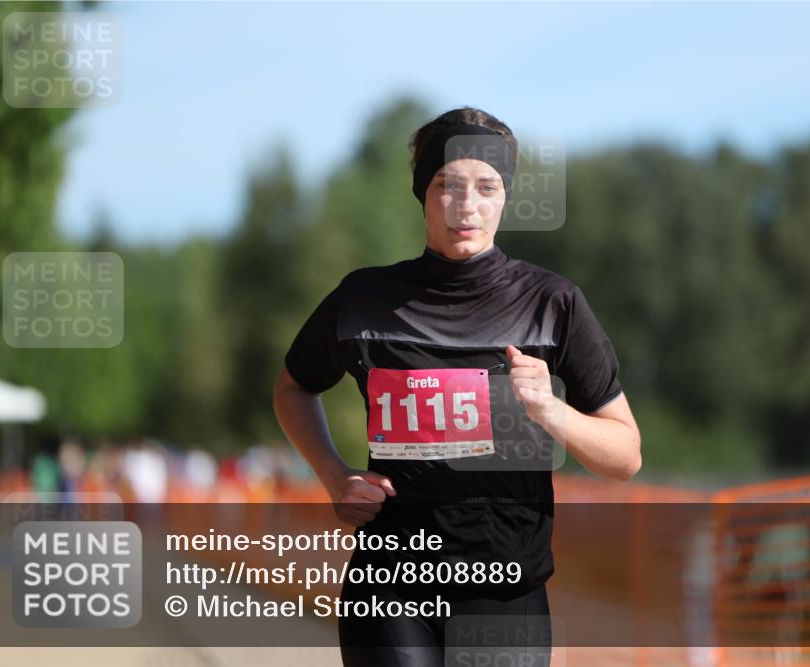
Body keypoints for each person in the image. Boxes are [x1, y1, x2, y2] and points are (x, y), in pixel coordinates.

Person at [273, 106, 641, 666]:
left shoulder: (552, 303)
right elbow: (293, 388)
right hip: (390, 584)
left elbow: (626, 455)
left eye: (486, 187)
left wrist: (551, 410)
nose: (467, 205)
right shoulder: (363, 299)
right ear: (422, 194)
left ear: (505, 197)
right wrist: (332, 475)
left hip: (506, 590)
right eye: (448, 185)